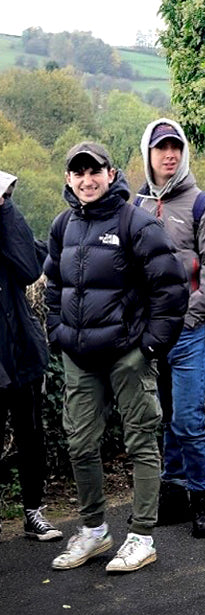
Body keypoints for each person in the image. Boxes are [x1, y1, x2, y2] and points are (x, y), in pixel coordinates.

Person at [46, 142, 188, 572]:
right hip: (80, 356)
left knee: (141, 440)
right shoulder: (62, 225)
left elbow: (172, 288)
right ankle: (93, 531)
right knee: (80, 442)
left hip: (128, 354)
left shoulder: (136, 223)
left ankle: (142, 536)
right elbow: (54, 285)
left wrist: (147, 347)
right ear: (69, 179)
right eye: (78, 173)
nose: (86, 180)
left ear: (110, 174)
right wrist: (58, 333)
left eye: (94, 171)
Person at [133, 119, 205, 538]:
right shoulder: (134, 207)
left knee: (188, 418)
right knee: (164, 416)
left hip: (193, 330)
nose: (169, 154)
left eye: (175, 147)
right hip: (151, 335)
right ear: (148, 154)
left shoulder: (202, 206)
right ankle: (172, 497)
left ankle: (202, 500)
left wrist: (185, 315)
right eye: (161, 148)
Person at [1, 172, 61, 541]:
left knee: (31, 435)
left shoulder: (6, 225)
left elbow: (28, 267)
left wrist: (6, 211)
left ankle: (33, 512)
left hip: (19, 350)